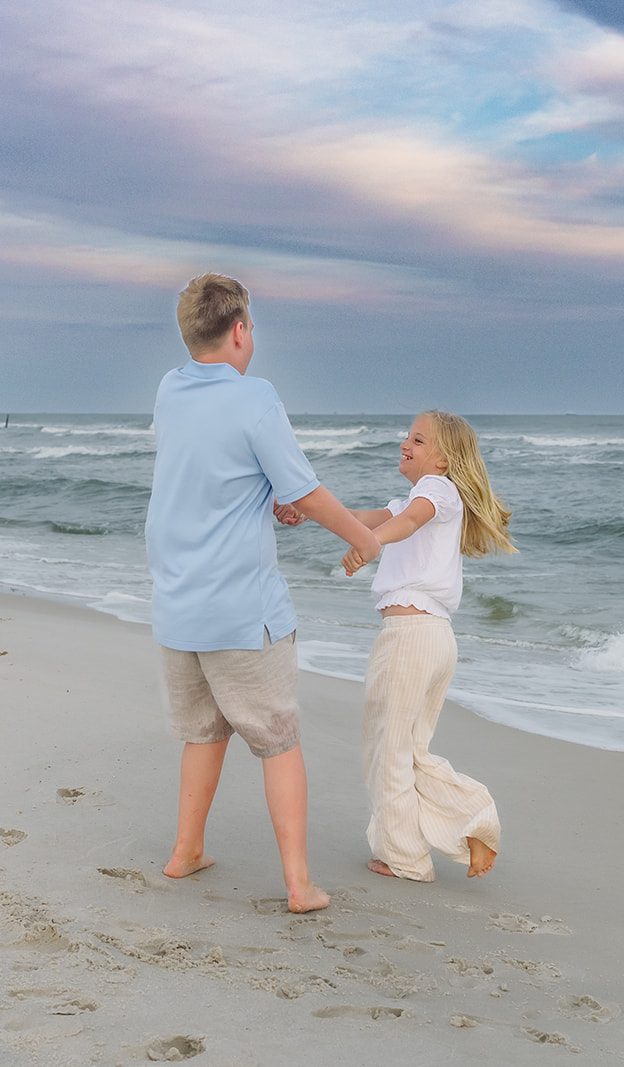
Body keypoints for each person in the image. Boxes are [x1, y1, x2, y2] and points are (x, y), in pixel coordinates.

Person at [145, 273, 381, 914]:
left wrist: (265, 494)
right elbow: (304, 490)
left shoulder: (170, 390)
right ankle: (300, 885)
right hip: (241, 609)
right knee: (277, 739)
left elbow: (212, 470)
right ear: (242, 330)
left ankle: (185, 851)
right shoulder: (257, 398)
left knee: (203, 731)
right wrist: (367, 538)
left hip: (177, 602)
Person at [340, 410, 516, 881]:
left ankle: (407, 857)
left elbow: (410, 522)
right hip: (435, 639)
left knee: (387, 748)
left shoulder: (435, 491)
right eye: (407, 436)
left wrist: (371, 544)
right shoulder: (421, 496)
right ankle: (470, 821)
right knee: (409, 748)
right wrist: (305, 510)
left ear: (443, 460)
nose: (406, 444)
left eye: (418, 440)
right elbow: (360, 518)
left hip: (409, 639)